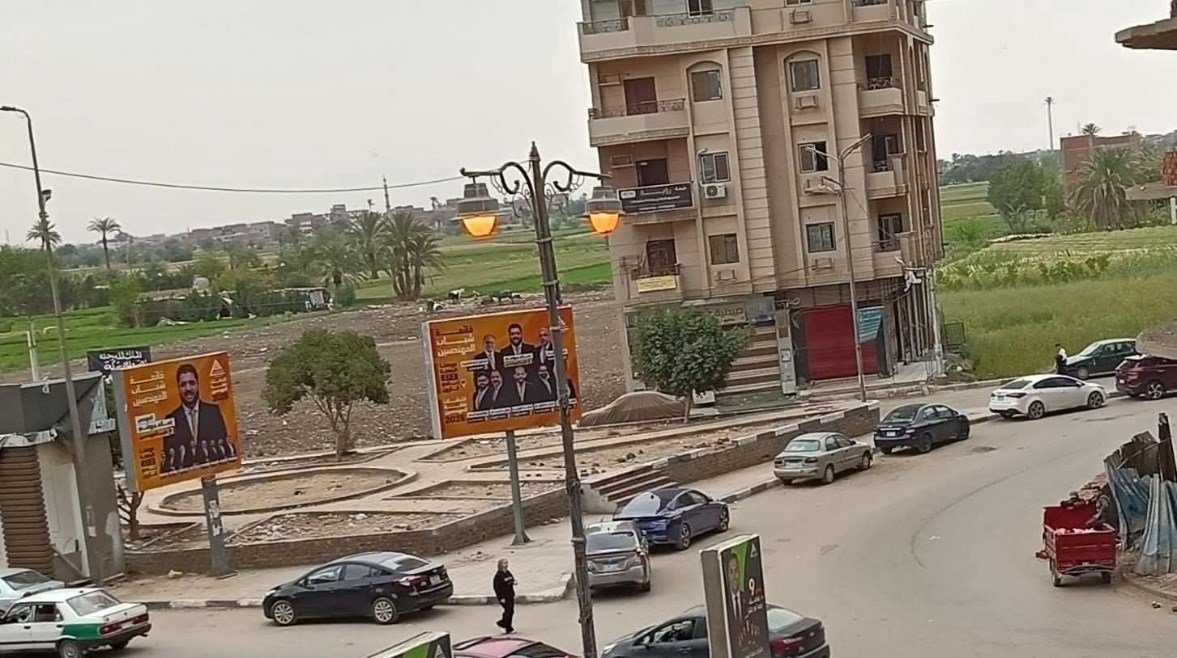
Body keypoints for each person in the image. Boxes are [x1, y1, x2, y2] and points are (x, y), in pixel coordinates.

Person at [164, 363, 235, 473]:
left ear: (198, 384)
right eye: (183, 385)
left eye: (192, 383)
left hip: (214, 471)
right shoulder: (171, 419)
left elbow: (224, 448)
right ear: (178, 388)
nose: (188, 388)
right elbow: (169, 459)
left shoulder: (213, 412)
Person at [493, 558, 516, 633]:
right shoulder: (498, 576)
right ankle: (502, 624)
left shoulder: (508, 572)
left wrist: (513, 582)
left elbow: (511, 579)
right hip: (504, 597)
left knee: (511, 611)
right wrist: (501, 597)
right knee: (508, 611)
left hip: (510, 595)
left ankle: (508, 627)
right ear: (500, 565)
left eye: (507, 563)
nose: (506, 564)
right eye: (504, 563)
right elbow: (497, 588)